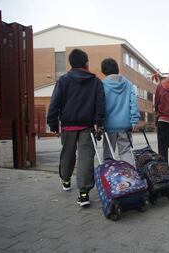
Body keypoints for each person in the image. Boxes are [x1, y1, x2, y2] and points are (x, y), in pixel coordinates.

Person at [47, 49, 105, 207]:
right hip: (87, 126)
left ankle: (66, 180)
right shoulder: (96, 82)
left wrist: (53, 123)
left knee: (67, 154)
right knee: (86, 157)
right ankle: (84, 193)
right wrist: (99, 124)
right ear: (86, 63)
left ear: (71, 63)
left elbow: (55, 103)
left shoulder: (64, 80)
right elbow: (100, 106)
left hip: (67, 125)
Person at [101, 58, 139, 164]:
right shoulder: (128, 84)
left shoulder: (102, 84)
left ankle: (110, 178)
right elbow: (134, 104)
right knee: (125, 152)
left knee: (108, 154)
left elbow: (100, 105)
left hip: (108, 126)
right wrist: (134, 121)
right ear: (117, 69)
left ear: (103, 70)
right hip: (125, 126)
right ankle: (130, 177)